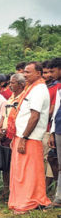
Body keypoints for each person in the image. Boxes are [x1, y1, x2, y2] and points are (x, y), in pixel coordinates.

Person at [7, 62, 51, 213]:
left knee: (28, 173)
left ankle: (29, 202)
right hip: (23, 136)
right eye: (24, 72)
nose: (25, 75)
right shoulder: (31, 89)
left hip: (30, 138)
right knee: (21, 171)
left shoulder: (39, 90)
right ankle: (25, 201)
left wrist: (24, 138)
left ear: (39, 73)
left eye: (28, 72)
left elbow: (35, 116)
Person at [47, 57, 61, 207]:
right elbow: (56, 110)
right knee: (59, 163)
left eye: (53, 71)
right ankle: (58, 198)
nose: (50, 74)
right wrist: (52, 132)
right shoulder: (59, 89)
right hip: (58, 128)